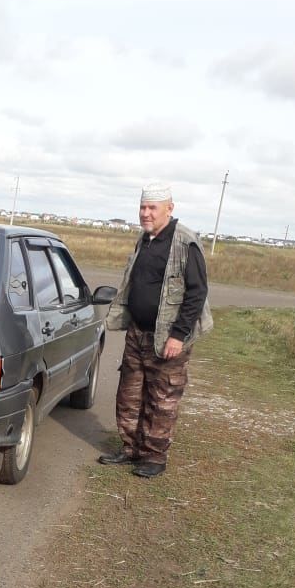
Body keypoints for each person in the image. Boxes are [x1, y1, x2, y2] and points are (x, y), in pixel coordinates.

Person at [99, 183, 213, 477]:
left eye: (152, 208)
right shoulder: (145, 240)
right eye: (143, 207)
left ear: (169, 209)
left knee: (161, 399)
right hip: (138, 334)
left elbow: (197, 293)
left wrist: (178, 335)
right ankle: (130, 449)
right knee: (129, 394)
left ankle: (154, 457)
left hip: (168, 338)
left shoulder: (185, 241)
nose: (146, 214)